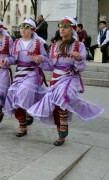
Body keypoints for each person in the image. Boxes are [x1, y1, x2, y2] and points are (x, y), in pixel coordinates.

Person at [27, 16, 104, 146]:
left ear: (72, 29)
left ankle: (63, 125)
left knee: (63, 94)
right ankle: (61, 134)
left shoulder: (79, 46)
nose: (62, 29)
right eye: (60, 26)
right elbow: (50, 66)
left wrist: (79, 59)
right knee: (56, 105)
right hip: (56, 78)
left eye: (65, 27)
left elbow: (82, 67)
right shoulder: (54, 46)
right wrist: (40, 62)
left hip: (70, 77)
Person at [4, 18, 50, 137]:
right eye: (22, 27)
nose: (23, 30)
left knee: (25, 90)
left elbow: (46, 60)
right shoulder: (16, 43)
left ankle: (27, 113)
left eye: (27, 27)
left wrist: (40, 59)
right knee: (12, 92)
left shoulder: (38, 43)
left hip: (33, 73)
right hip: (20, 73)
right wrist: (6, 60)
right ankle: (22, 122)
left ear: (33, 30)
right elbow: (13, 58)